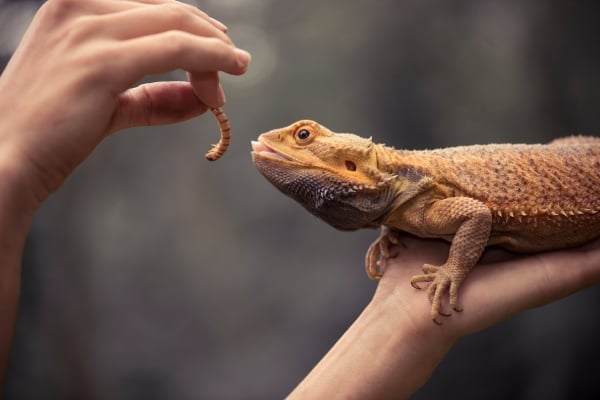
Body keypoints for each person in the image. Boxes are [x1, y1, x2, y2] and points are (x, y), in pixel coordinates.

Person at [0, 1, 598, 398]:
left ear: (352, 161)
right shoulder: (407, 204)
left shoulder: (425, 200)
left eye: (304, 138)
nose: (284, 145)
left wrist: (452, 270)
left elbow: (474, 212)